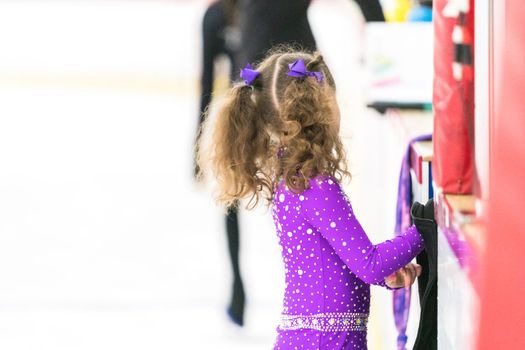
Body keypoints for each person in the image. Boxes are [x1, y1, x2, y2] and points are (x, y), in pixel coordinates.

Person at [199, 49, 425, 349]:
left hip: (314, 338)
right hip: (325, 342)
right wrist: (427, 225)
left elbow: (341, 259)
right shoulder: (314, 186)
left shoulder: (295, 181)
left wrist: (387, 277)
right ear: (321, 113)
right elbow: (369, 264)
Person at [195, 0, 245, 326]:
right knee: (230, 201)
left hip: (275, 115)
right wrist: (199, 147)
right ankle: (237, 285)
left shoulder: (261, 8)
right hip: (238, 120)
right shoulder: (215, 16)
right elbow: (206, 81)